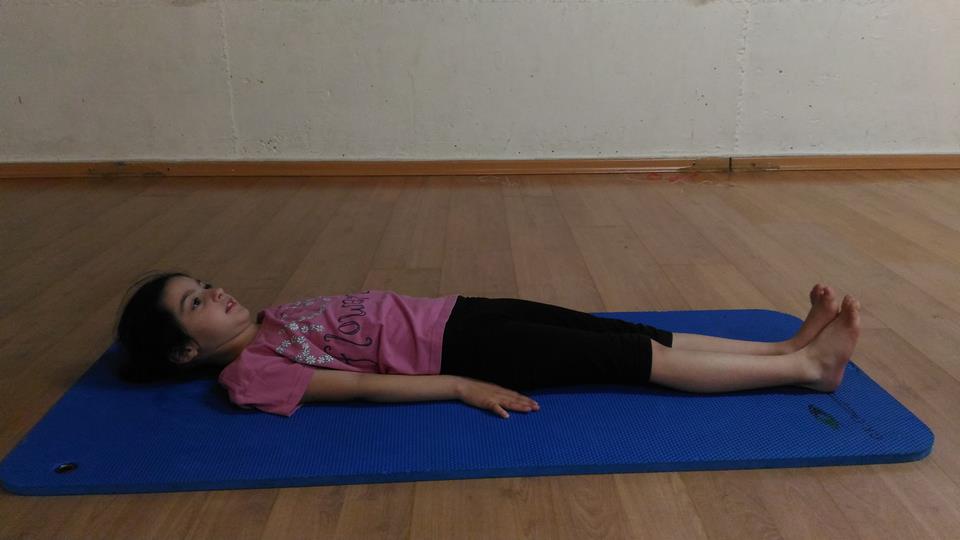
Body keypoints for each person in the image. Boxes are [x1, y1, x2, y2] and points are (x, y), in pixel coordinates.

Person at [115, 271, 860, 419]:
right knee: (633, 361)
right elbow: (362, 387)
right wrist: (460, 385)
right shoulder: (249, 374)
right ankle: (806, 370)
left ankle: (781, 347)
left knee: (622, 331)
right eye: (194, 303)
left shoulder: (271, 318)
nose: (215, 292)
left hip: (462, 312)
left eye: (203, 284)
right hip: (463, 353)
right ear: (184, 352)